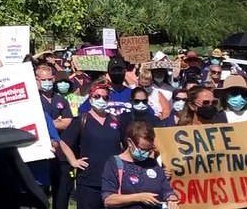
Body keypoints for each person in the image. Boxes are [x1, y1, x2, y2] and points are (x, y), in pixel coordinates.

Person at [60, 80, 125, 209]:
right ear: (90, 98)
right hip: (88, 180)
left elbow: (127, 145)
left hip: (112, 180)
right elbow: (64, 141)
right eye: (97, 96)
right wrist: (73, 161)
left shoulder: (116, 121)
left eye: (105, 97)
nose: (101, 100)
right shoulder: (81, 120)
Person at [100, 120, 178, 209]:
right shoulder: (114, 163)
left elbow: (167, 191)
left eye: (150, 149)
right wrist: (139, 197)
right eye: (143, 149)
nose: (147, 153)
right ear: (130, 143)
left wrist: (172, 199)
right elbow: (108, 200)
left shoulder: (152, 164)